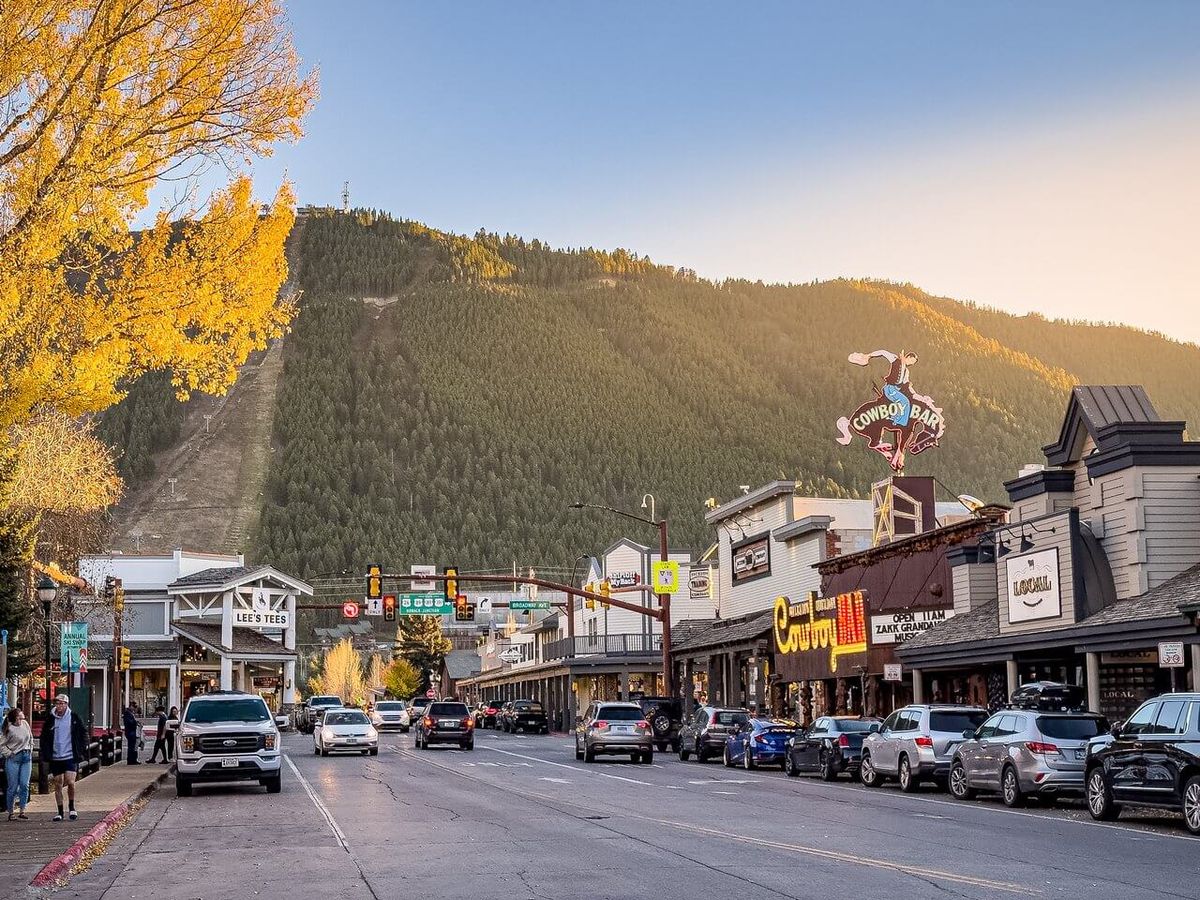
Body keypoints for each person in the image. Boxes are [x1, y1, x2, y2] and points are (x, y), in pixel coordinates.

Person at [39, 694, 87, 822]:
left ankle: (72, 807)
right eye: (57, 703)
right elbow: (44, 736)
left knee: (70, 782)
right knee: (58, 783)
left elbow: (83, 734)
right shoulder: (50, 719)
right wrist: (46, 751)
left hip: (70, 755)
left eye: (62, 703)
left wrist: (81, 749)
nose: (59, 706)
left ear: (66, 704)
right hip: (56, 756)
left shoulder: (74, 718)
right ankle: (60, 811)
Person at [1, 708, 33, 820]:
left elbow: (30, 737)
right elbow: (2, 744)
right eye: (20, 715)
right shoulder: (9, 728)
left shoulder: (25, 724)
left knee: (24, 784)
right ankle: (11, 811)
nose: (22, 715)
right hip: (14, 757)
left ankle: (22, 809)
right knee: (13, 786)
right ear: (15, 718)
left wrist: (30, 748)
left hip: (26, 756)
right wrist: (9, 753)